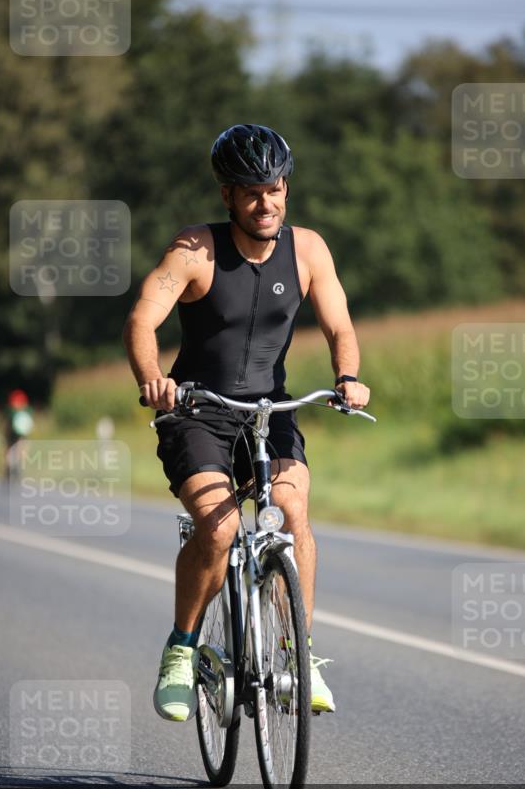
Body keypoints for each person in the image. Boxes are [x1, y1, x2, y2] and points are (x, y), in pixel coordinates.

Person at [123, 123, 370, 723]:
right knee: (218, 525)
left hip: (270, 409)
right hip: (197, 410)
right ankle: (182, 649)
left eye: (275, 189)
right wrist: (155, 381)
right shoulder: (193, 251)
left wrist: (347, 377)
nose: (266, 203)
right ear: (227, 194)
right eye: (252, 191)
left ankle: (299, 653)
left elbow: (339, 325)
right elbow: (142, 319)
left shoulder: (308, 249)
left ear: (287, 188)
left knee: (293, 511)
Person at [3, 389, 34, 484]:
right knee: (7, 451)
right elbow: (6, 426)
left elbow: (29, 424)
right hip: (10, 435)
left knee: (23, 448)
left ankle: (18, 468)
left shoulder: (27, 410)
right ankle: (8, 469)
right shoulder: (10, 412)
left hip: (21, 435)